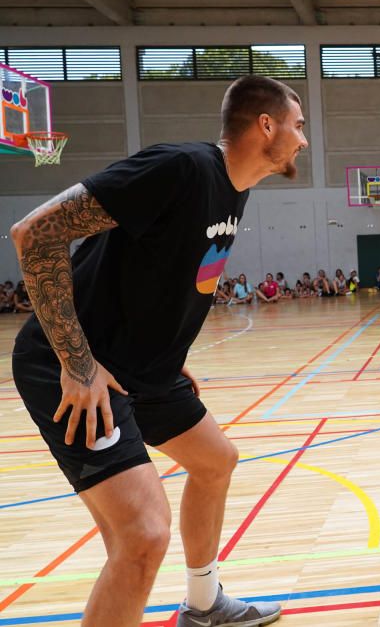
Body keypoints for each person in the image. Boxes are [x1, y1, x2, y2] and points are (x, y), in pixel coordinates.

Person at [9, 75, 305, 626]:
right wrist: (77, 364)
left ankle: (203, 602)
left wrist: (164, 347)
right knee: (143, 536)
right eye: (299, 124)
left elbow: (166, 273)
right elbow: (35, 233)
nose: (304, 139)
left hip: (143, 368)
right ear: (266, 125)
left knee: (216, 462)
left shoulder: (233, 189)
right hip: (71, 366)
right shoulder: (183, 168)